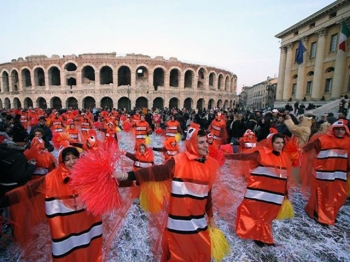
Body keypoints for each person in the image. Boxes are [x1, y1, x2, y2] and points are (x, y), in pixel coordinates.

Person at [113, 128, 220, 261]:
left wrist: (211, 217)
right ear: (192, 143)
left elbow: (207, 194)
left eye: (206, 142)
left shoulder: (209, 165)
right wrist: (126, 175)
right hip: (180, 227)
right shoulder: (177, 162)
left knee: (202, 255)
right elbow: (156, 172)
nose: (206, 145)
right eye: (201, 142)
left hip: (199, 225)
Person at [0, 147, 103, 261]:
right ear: (61, 161)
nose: (72, 162)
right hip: (64, 229)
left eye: (74, 158)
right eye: (67, 159)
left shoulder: (88, 175)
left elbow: (107, 182)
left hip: (86, 226)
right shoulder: (51, 178)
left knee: (87, 247)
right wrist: (5, 201)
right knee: (68, 252)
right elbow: (30, 190)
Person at [225, 133, 292, 247]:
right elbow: (243, 156)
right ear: (271, 143)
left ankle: (263, 234)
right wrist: (227, 156)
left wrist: (285, 193)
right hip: (259, 191)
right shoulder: (261, 154)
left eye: (282, 143)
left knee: (268, 215)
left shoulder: (284, 157)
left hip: (275, 194)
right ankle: (257, 235)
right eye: (277, 143)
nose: (280, 145)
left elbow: (285, 176)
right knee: (255, 212)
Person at [302, 120, 350, 225]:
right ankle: (322, 215)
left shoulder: (348, 142)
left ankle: (330, 214)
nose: (340, 131)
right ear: (333, 129)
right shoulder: (322, 140)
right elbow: (306, 148)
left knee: (338, 196)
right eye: (337, 129)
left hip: (340, 175)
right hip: (323, 175)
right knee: (323, 196)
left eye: (342, 129)